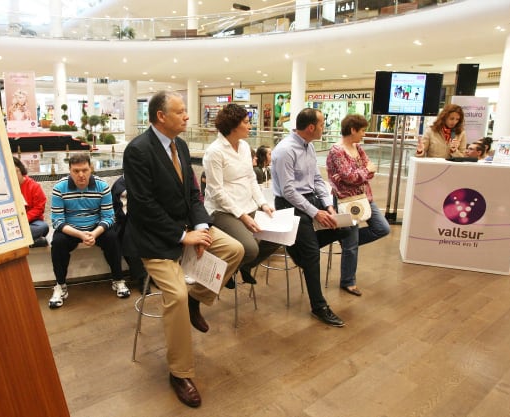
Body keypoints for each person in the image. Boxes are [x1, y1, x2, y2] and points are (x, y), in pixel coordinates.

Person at [122, 91, 244, 408]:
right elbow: (144, 207)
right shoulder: (138, 151)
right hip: (155, 239)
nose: (187, 116)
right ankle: (179, 373)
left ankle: (197, 298)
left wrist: (201, 227)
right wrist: (182, 235)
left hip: (188, 230)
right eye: (181, 111)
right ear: (161, 116)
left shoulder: (182, 145)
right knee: (174, 295)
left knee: (234, 249)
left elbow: (193, 193)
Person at [271, 108, 358, 327]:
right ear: (311, 127)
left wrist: (328, 206)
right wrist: (315, 212)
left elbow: (318, 180)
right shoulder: (285, 150)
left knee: (345, 229)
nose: (324, 127)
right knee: (312, 255)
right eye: (321, 124)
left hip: (311, 201)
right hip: (290, 205)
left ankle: (299, 251)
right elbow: (289, 192)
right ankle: (319, 306)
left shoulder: (309, 147)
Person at [203, 103, 279, 289]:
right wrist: (242, 216)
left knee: (278, 235)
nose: (250, 126)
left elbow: (250, 178)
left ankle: (240, 267)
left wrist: (262, 203)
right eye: (246, 122)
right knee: (250, 248)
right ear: (233, 125)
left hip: (248, 206)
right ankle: (230, 269)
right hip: (223, 211)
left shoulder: (245, 146)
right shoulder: (214, 152)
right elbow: (216, 191)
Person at [48, 153, 130, 308]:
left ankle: (118, 279)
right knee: (57, 242)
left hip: (95, 228)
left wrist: (94, 233)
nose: (81, 175)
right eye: (76, 171)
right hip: (71, 230)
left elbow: (109, 217)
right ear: (70, 170)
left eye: (84, 170)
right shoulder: (59, 188)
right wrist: (80, 234)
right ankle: (61, 285)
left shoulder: (102, 186)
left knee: (112, 237)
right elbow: (57, 221)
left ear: (90, 169)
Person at [326, 114, 390, 296]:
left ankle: (346, 242)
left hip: (365, 197)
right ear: (353, 130)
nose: (364, 134)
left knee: (382, 228)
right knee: (351, 244)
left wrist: (360, 173)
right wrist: (362, 172)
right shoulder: (337, 151)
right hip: (347, 201)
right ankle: (348, 280)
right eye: (362, 130)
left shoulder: (357, 147)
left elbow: (368, 170)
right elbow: (349, 177)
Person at [111, 175, 149, 292]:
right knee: (129, 237)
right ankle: (142, 277)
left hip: (149, 219)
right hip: (126, 221)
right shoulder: (120, 186)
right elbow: (122, 211)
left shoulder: (149, 179)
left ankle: (157, 275)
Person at [13, 157, 49, 247]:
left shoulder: (34, 186)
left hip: (32, 222)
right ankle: (32, 240)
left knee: (43, 227)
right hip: (12, 223)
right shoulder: (6, 188)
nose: (13, 175)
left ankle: (15, 239)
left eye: (15, 171)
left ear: (21, 170)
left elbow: (39, 208)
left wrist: (24, 219)